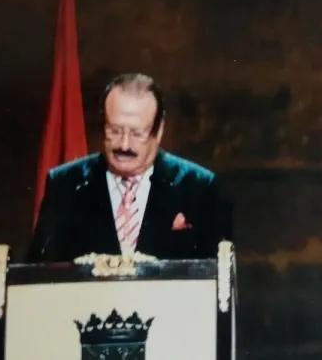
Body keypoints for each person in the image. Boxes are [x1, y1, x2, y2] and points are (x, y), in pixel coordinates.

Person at [26, 73, 232, 262]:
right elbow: (38, 273)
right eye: (114, 131)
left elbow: (217, 276)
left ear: (158, 131)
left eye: (136, 134)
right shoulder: (65, 184)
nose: (124, 145)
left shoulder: (198, 187)